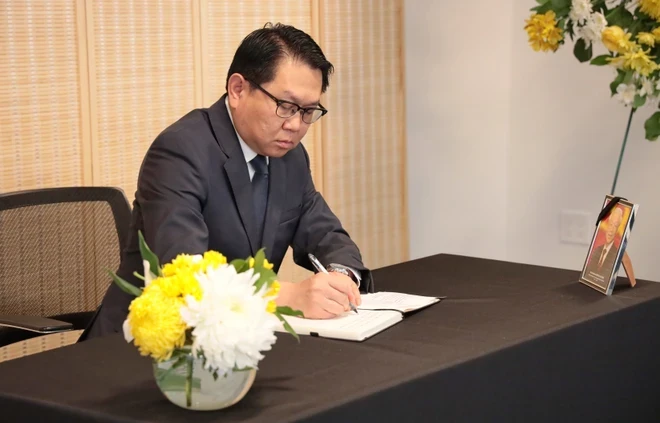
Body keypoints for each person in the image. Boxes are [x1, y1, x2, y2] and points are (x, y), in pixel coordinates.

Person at [85, 23, 372, 339]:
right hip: (148, 345)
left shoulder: (290, 157)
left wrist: (341, 277)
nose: (295, 125)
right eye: (286, 107)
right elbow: (187, 276)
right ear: (238, 90)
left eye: (308, 111)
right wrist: (290, 297)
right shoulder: (180, 152)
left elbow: (325, 232)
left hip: (237, 340)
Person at [583, 206, 624, 284]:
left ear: (617, 230)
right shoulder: (597, 250)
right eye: (610, 224)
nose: (611, 230)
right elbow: (589, 274)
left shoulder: (616, 254)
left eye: (615, 226)